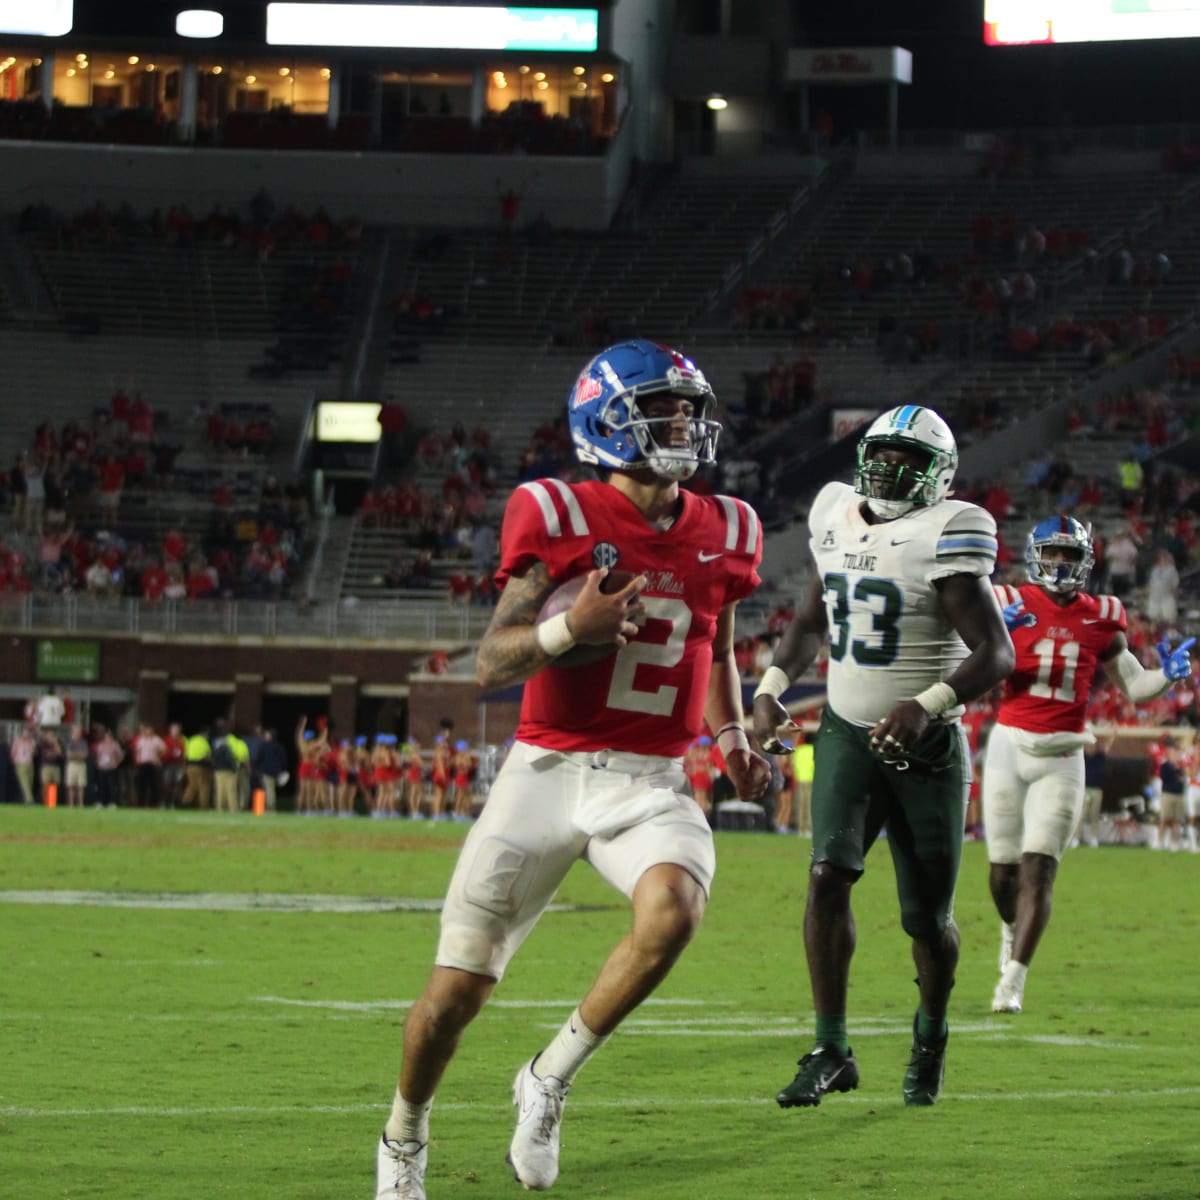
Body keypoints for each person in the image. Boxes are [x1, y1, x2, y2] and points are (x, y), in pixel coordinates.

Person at [373, 339, 771, 1199]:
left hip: (651, 777)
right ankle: (404, 1135)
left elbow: (718, 645)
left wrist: (732, 735)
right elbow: (491, 662)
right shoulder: (553, 509)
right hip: (546, 771)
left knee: (674, 911)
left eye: (686, 410)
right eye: (661, 410)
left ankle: (548, 1077)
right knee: (451, 999)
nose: (682, 426)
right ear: (605, 420)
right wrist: (568, 630)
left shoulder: (732, 525)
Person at [751, 404, 1014, 1110]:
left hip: (926, 748)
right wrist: (773, 686)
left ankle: (930, 1036)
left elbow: (997, 651)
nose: (891, 470)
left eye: (909, 460)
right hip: (845, 732)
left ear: (941, 476)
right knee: (826, 876)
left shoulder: (948, 532)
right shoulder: (835, 514)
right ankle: (831, 1049)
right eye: (883, 454)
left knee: (926, 921)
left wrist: (927, 703)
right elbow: (811, 620)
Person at [985, 516, 1194, 1014]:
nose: (1060, 564)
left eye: (1070, 556)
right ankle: (1010, 928)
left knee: (1040, 868)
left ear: (1085, 563)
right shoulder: (1006, 603)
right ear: (1036, 557)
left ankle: (1014, 978)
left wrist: (1166, 676)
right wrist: (991, 640)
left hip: (1063, 754)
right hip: (1009, 746)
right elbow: (965, 665)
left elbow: (1135, 684)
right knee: (1002, 873)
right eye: (1053, 554)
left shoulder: (1103, 615)